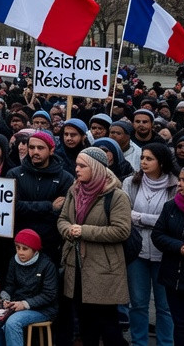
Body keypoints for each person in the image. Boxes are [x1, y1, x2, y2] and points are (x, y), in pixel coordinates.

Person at [58, 146, 132, 346]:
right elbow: (63, 219)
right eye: (76, 165)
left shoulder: (116, 196)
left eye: (82, 166)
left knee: (108, 325)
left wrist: (83, 231)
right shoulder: (74, 190)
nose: (77, 170)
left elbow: (122, 230)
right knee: (85, 324)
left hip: (103, 268)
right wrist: (68, 230)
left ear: (96, 167)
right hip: (77, 266)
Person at [127, 143, 178, 346]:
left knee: (164, 306)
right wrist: (153, 220)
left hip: (164, 252)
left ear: (162, 162)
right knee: (138, 303)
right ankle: (139, 342)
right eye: (142, 158)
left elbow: (170, 220)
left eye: (149, 159)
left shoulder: (175, 185)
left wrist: (139, 217)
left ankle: (166, 343)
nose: (143, 162)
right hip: (137, 251)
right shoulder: (131, 182)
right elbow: (125, 215)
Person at [151, 164, 184, 346]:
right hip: (174, 279)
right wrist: (180, 246)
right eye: (179, 180)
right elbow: (158, 235)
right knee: (181, 325)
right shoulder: (171, 206)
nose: (179, 184)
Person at [0, 229, 59, 346]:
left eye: (25, 249)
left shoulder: (47, 265)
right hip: (18, 305)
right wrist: (5, 299)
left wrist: (25, 304)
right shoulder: (14, 261)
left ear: (35, 250)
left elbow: (49, 295)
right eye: (17, 248)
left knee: (13, 323)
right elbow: (10, 285)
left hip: (43, 309)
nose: (20, 252)